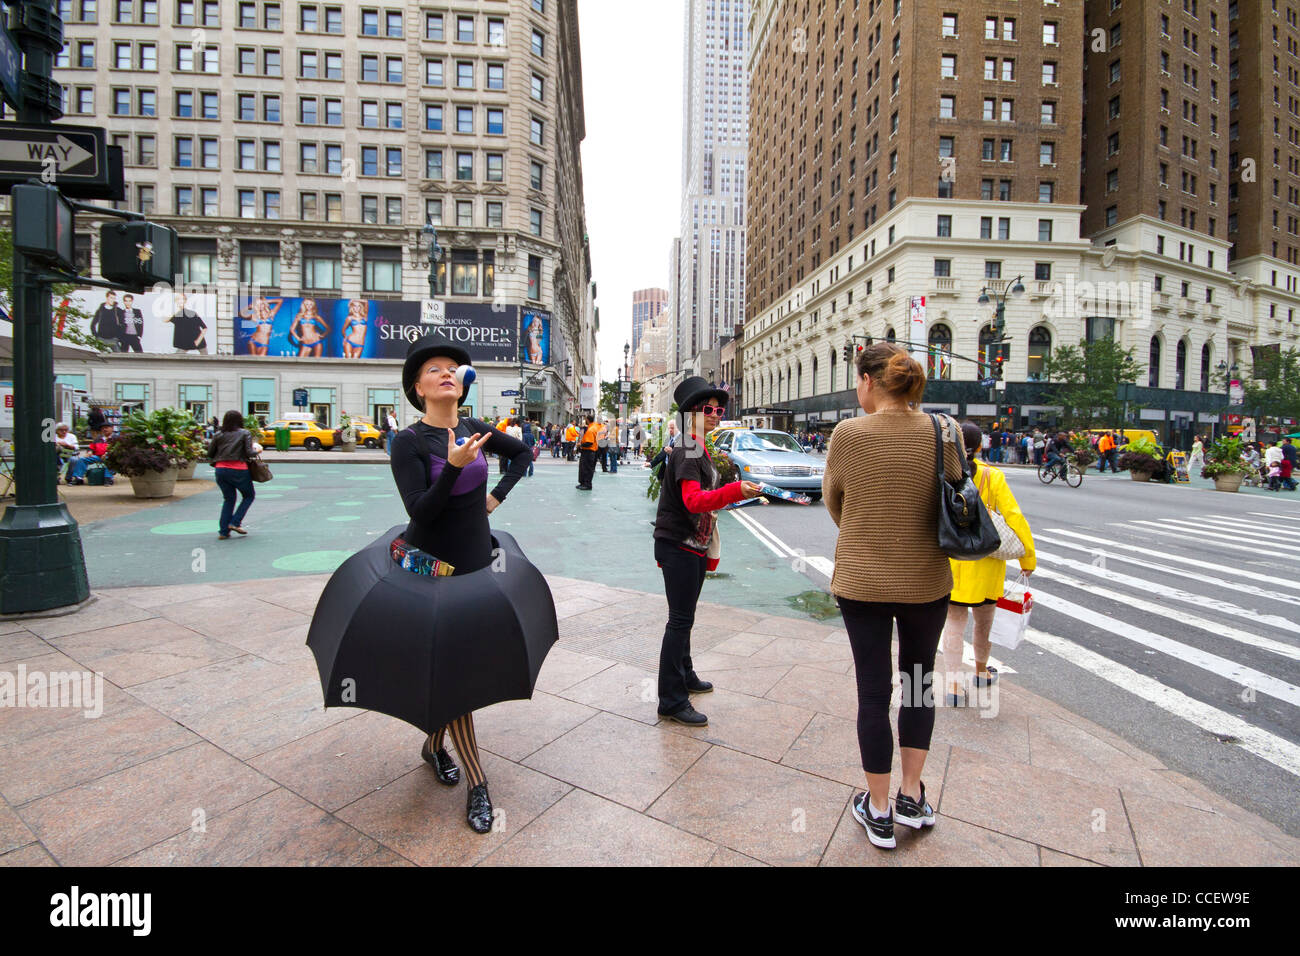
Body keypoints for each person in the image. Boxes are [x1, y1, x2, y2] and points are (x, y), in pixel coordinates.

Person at [821, 343, 966, 851]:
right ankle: (912, 796)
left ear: (867, 381)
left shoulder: (848, 435)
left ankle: (878, 809)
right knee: (920, 682)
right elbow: (952, 498)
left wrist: (868, 533)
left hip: (862, 582)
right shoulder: (942, 432)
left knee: (872, 691)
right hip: (927, 581)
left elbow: (836, 502)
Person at [390, 334, 531, 834]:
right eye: (435, 370)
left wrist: (494, 498)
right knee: (456, 678)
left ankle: (432, 747)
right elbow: (420, 511)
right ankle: (478, 782)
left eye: (454, 367)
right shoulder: (408, 442)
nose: (447, 372)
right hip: (429, 567)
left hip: (475, 564)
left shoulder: (475, 428)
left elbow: (524, 455)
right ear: (418, 388)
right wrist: (450, 471)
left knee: (458, 666)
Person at [653, 377, 762, 726]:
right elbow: (692, 500)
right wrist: (734, 491)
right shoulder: (689, 448)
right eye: (708, 409)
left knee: (685, 616)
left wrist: (734, 489)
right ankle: (671, 700)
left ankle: (684, 675)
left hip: (693, 544)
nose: (716, 414)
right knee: (680, 620)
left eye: (719, 409)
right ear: (691, 414)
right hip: (679, 544)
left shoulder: (698, 446)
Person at [941, 421, 1036, 706]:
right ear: (980, 446)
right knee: (984, 622)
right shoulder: (992, 477)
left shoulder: (943, 475)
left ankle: (954, 686)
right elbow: (1014, 516)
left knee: (954, 625)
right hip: (986, 562)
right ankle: (981, 671)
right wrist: (1027, 556)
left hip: (952, 561)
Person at [207, 410, 259, 539]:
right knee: (249, 495)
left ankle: (223, 531)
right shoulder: (244, 433)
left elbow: (209, 453)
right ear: (239, 420)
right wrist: (258, 450)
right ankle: (235, 522)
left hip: (220, 470)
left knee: (229, 499)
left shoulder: (218, 434)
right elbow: (249, 452)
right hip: (239, 469)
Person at [576, 415, 599, 490]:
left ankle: (587, 484)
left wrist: (580, 445)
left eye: (585, 419)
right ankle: (584, 483)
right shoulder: (594, 428)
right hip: (591, 451)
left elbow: (589, 442)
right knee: (586, 468)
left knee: (586, 468)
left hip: (588, 451)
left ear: (587, 420)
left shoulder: (591, 429)